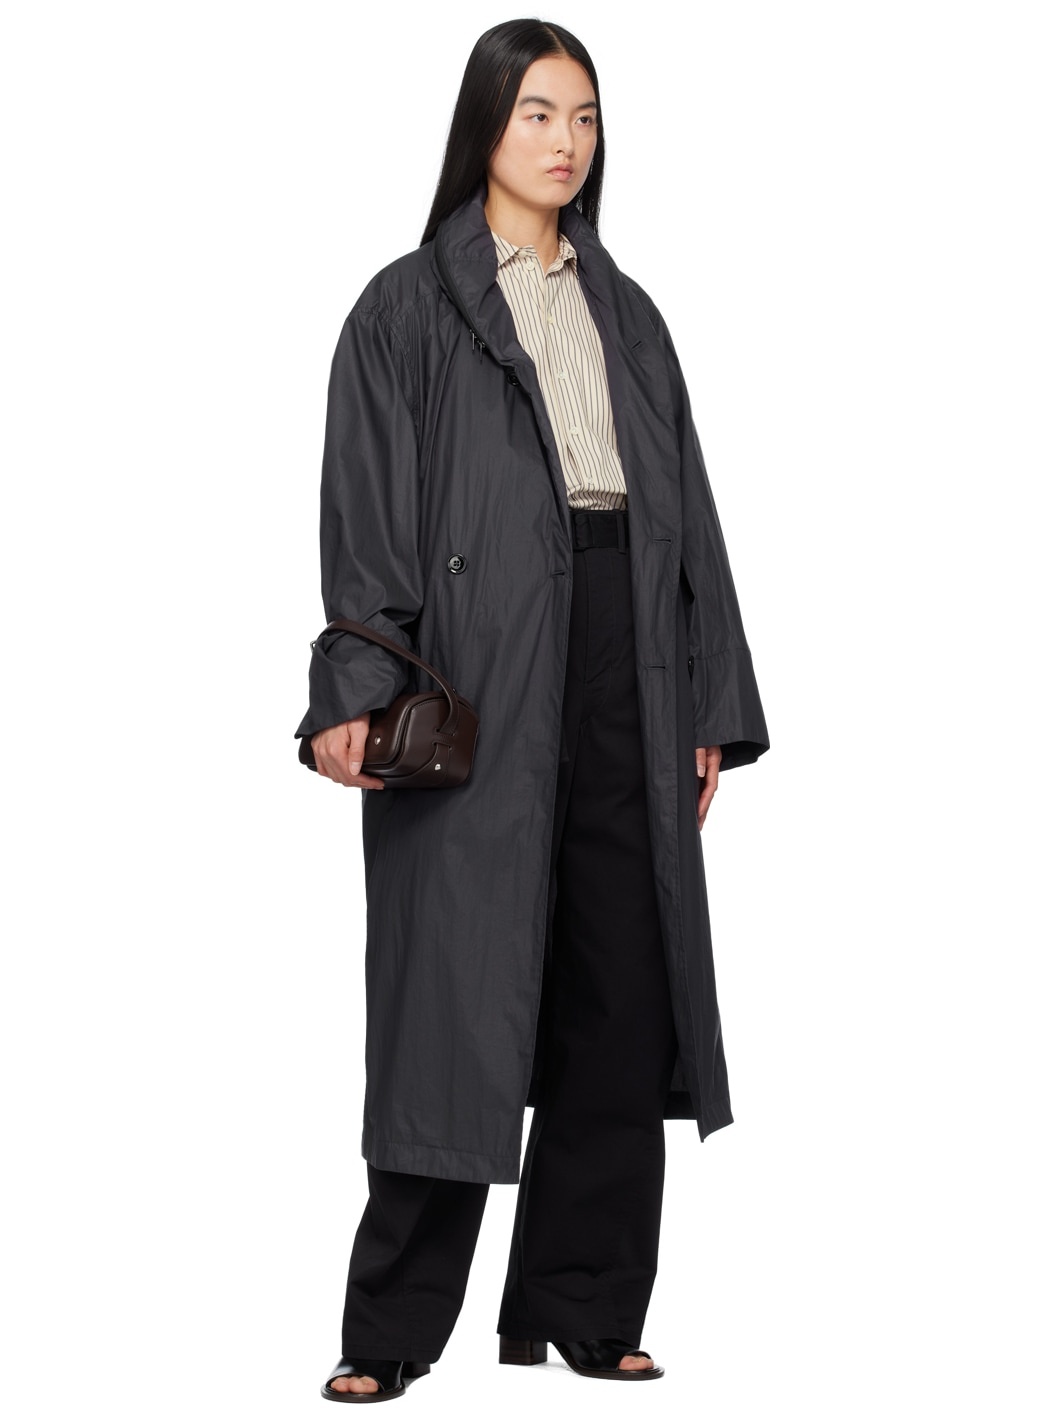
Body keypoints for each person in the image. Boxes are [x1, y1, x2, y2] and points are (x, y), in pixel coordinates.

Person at [295, 17, 770, 1403]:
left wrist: (709, 699)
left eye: (586, 117)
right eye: (539, 115)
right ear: (485, 129)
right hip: (476, 666)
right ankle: (391, 1328)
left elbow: (692, 519)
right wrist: (357, 684)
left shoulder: (631, 314)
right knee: (454, 993)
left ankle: (585, 1304)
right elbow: (366, 515)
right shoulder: (405, 308)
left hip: (630, 652)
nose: (567, 143)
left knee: (620, 983)